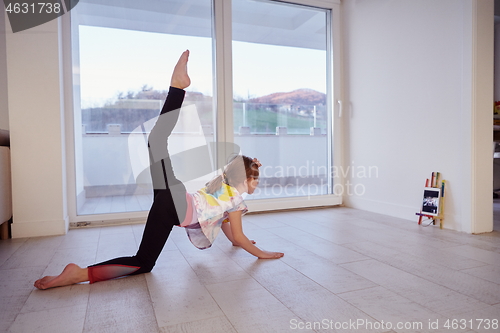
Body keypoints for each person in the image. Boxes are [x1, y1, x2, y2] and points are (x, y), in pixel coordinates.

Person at [34, 50, 284, 290]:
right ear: (246, 179)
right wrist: (261, 253)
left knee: (156, 142)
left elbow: (229, 228)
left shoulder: (223, 185)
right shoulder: (236, 200)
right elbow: (237, 234)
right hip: (174, 204)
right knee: (143, 262)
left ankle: (177, 88)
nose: (257, 184)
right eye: (256, 180)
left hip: (171, 200)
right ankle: (79, 273)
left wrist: (239, 241)